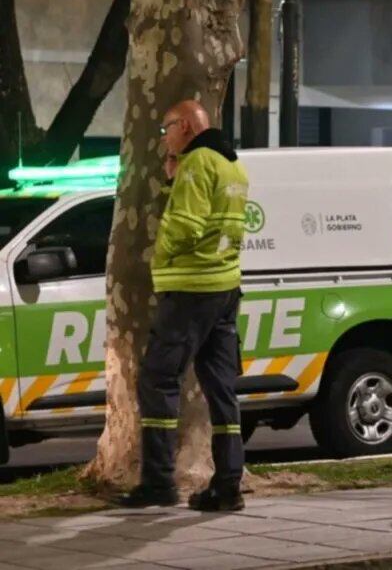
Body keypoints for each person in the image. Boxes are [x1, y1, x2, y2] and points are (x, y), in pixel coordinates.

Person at [117, 100, 249, 511]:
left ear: (188, 126)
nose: (164, 137)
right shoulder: (233, 166)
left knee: (157, 380)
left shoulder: (197, 163)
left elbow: (187, 227)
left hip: (190, 289)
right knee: (221, 388)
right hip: (225, 287)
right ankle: (228, 484)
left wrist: (162, 251)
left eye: (167, 128)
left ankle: (158, 483)